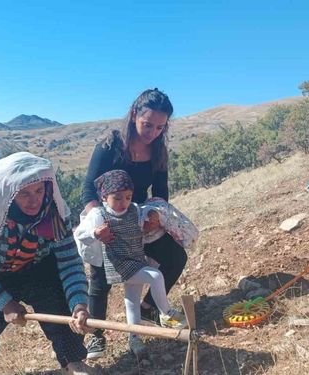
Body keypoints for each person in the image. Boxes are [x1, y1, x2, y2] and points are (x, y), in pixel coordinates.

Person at [0, 152, 98, 375]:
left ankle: (73, 361)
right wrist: (5, 304)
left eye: (39, 191)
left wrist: (79, 305)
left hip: (34, 266)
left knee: (60, 301)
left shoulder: (54, 214)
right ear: (9, 194)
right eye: (24, 194)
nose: (34, 200)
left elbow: (68, 262)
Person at [81, 88, 188, 359]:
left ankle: (151, 308)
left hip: (139, 218)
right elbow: (88, 193)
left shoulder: (158, 150)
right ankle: (96, 335)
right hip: (105, 217)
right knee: (100, 278)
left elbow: (161, 192)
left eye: (160, 127)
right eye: (147, 124)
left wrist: (153, 214)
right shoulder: (109, 146)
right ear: (133, 115)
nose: (152, 132)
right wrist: (98, 224)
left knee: (175, 256)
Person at [75, 169, 187, 358]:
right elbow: (79, 234)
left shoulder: (133, 209)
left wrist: (152, 215)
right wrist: (95, 233)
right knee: (156, 276)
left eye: (127, 197)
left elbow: (147, 213)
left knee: (132, 301)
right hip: (120, 263)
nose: (123, 203)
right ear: (104, 197)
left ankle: (134, 338)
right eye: (117, 198)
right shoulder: (99, 214)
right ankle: (166, 313)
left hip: (135, 259)